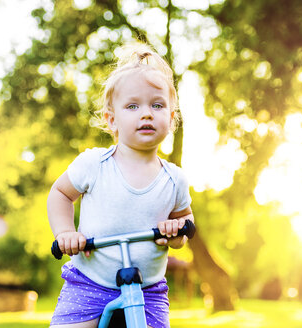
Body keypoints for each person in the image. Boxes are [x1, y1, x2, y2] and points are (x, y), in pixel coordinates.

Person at [47, 42, 194, 328]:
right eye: (133, 106)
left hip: (148, 290)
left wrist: (175, 234)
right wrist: (66, 232)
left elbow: (185, 224)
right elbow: (60, 193)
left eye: (157, 105)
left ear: (171, 118)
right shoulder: (94, 164)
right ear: (111, 119)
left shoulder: (174, 179)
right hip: (89, 283)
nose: (147, 113)